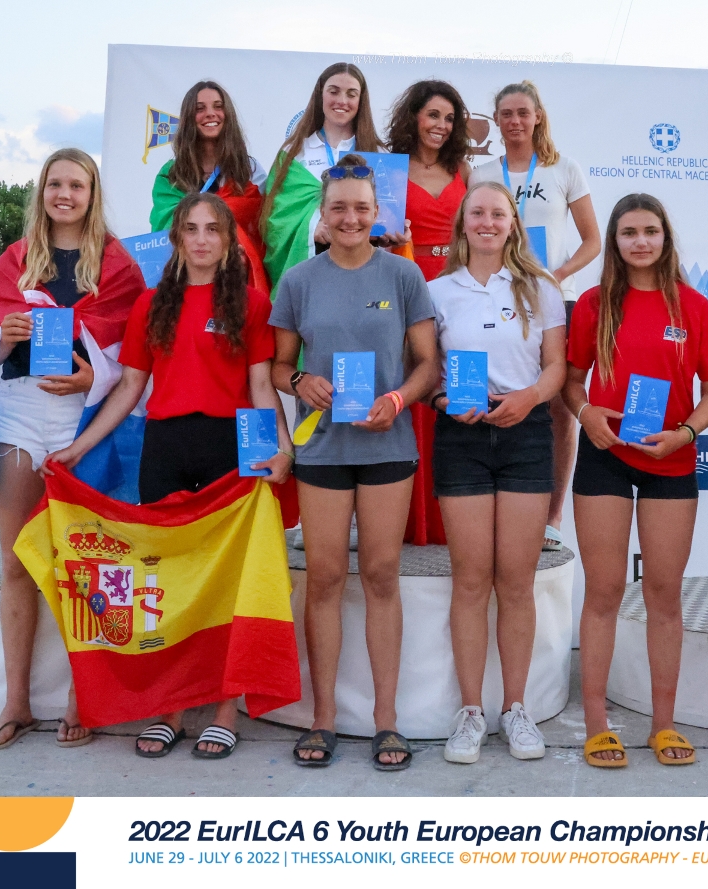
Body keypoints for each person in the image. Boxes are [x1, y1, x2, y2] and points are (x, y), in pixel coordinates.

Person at [47, 192, 293, 759]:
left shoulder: (252, 304)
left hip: (231, 449)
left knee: (230, 583)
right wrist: (79, 447)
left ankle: (226, 710)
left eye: (213, 229)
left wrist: (282, 449)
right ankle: (170, 710)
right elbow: (130, 387)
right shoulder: (151, 304)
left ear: (228, 241)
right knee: (164, 583)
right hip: (165, 448)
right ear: (177, 238)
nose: (202, 239)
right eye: (191, 229)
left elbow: (261, 385)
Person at [0, 148, 146, 751]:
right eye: (55, 184)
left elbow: (132, 356)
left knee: (90, 560)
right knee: (17, 559)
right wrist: (4, 336)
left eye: (77, 185)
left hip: (84, 417)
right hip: (19, 410)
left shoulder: (117, 265)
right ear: (41, 191)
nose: (65, 194)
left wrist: (92, 377)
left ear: (92, 194)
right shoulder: (16, 260)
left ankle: (83, 694)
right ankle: (16, 700)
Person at [270, 154, 438, 770]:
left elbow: (428, 366)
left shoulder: (403, 276)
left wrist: (397, 400)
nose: (350, 218)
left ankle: (386, 722)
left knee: (382, 576)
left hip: (388, 448)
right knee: (323, 579)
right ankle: (322, 719)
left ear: (376, 212)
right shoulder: (299, 281)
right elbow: (277, 366)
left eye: (361, 208)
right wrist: (301, 382)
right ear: (323, 211)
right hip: (322, 450)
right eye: (338, 207)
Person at [565, 194, 708, 768]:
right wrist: (586, 414)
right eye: (629, 232)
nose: (641, 242)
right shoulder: (594, 304)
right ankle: (596, 724)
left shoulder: (694, 307)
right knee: (604, 590)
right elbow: (571, 380)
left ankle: (664, 724)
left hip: (672, 461)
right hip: (605, 456)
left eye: (651, 231)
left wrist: (686, 434)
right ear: (614, 241)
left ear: (666, 238)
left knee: (663, 594)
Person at [427, 181, 565, 763]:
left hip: (525, 433)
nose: (487, 222)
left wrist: (529, 398)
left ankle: (515, 708)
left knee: (516, 580)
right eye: (477, 213)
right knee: (470, 578)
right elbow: (426, 372)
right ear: (463, 223)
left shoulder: (542, 287)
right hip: (461, 436)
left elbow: (556, 368)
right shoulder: (436, 291)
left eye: (498, 214)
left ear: (513, 224)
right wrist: (442, 401)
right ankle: (470, 712)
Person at [470, 82, 600, 552]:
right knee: (493, 393)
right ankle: (491, 505)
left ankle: (552, 515)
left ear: (538, 116)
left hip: (554, 299)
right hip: (497, 296)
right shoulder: (482, 172)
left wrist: (555, 275)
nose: (515, 121)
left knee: (559, 406)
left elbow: (593, 240)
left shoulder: (564, 168)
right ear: (496, 120)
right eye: (506, 113)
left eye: (523, 112)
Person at [386, 79, 472, 546]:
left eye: (449, 118)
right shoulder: (389, 168)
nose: (441, 125)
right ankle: (410, 520)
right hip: (407, 285)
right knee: (415, 387)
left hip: (457, 286)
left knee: (452, 387)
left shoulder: (464, 170)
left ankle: (451, 519)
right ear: (414, 116)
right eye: (433, 114)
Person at [262, 63, 384, 291]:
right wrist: (311, 228)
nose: (342, 101)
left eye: (351, 94)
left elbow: (386, 215)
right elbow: (274, 221)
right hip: (311, 271)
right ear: (320, 95)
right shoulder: (294, 154)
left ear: (361, 100)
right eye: (334, 91)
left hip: (364, 274)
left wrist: (393, 232)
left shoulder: (379, 155)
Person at [150, 81, 269, 292]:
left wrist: (240, 251)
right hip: (185, 284)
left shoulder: (249, 171)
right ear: (189, 117)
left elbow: (263, 230)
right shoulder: (171, 174)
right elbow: (165, 229)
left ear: (227, 114)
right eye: (200, 108)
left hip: (235, 283)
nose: (210, 113)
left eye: (218, 106)